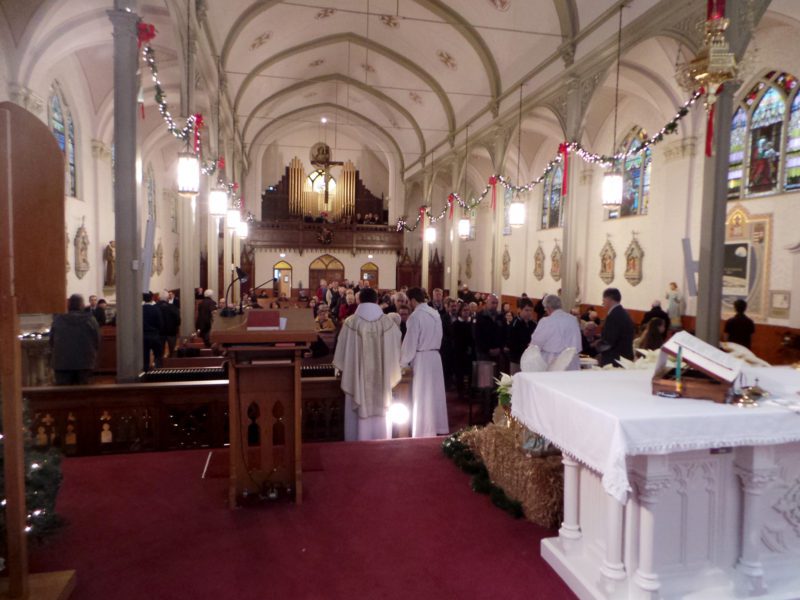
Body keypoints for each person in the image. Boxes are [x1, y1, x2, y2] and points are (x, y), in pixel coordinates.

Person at [332, 286, 401, 441]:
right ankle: (382, 438)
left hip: (357, 382)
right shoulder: (387, 323)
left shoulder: (351, 323)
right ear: (377, 301)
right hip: (381, 383)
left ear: (359, 300)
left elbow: (341, 353)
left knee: (356, 412)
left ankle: (356, 440)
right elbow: (396, 349)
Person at [401, 287, 449, 438]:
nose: (408, 304)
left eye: (408, 301)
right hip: (435, 357)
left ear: (413, 300)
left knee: (423, 395)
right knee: (435, 394)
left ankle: (423, 430)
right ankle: (438, 426)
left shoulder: (415, 316)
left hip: (422, 359)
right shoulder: (435, 313)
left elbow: (410, 343)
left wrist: (402, 363)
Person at [50, 294, 100, 385]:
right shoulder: (90, 320)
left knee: (63, 392)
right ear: (82, 305)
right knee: (82, 391)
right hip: (85, 362)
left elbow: (51, 341)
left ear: (69, 305)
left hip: (62, 362)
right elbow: (97, 340)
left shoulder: (58, 320)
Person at [528, 294, 582, 370]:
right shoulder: (573, 320)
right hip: (572, 361)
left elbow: (536, 343)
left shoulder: (546, 321)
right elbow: (577, 341)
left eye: (545, 309)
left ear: (548, 308)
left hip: (552, 361)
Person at [597, 287, 635, 367]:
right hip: (623, 357)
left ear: (609, 299)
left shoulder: (614, 315)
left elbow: (609, 341)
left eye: (603, 299)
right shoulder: (622, 313)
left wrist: (596, 346)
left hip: (614, 359)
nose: (602, 303)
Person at [451, 302, 475, 393]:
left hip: (471, 352)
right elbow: (455, 339)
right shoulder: (455, 324)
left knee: (471, 372)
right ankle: (460, 392)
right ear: (460, 312)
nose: (466, 312)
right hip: (459, 352)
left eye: (468, 310)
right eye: (464, 310)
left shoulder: (472, 323)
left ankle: (471, 391)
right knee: (460, 373)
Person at [508, 299, 536, 374]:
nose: (529, 313)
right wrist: (526, 346)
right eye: (526, 310)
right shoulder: (514, 324)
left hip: (529, 360)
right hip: (517, 359)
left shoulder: (533, 324)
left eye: (531, 310)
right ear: (519, 310)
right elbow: (511, 343)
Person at [142, 292, 164, 371]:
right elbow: (160, 323)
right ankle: (158, 370)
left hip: (143, 335)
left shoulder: (140, 309)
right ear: (152, 298)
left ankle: (145, 372)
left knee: (145, 356)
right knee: (158, 355)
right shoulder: (156, 309)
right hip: (154, 335)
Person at [158, 290, 181, 356]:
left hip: (159, 333)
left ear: (159, 298)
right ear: (168, 298)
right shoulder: (173, 307)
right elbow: (178, 320)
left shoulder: (155, 307)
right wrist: (176, 327)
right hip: (171, 332)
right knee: (172, 352)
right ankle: (171, 361)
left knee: (159, 353)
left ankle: (160, 362)